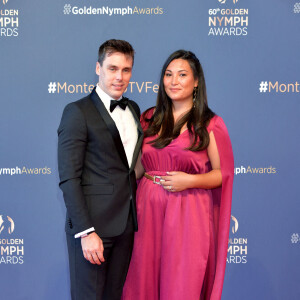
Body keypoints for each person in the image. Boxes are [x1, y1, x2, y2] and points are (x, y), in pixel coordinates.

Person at [122, 50, 234, 300]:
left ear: (196, 82)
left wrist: (189, 180)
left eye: (182, 75)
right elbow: (138, 168)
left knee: (181, 283)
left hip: (189, 211)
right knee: (142, 280)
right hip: (147, 209)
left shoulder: (211, 124)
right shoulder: (149, 118)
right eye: (168, 74)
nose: (173, 81)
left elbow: (222, 175)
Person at [57, 39, 143, 300]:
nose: (119, 77)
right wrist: (86, 232)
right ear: (98, 68)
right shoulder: (77, 112)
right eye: (112, 68)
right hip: (93, 229)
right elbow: (69, 177)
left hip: (126, 227)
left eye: (126, 70)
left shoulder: (134, 109)